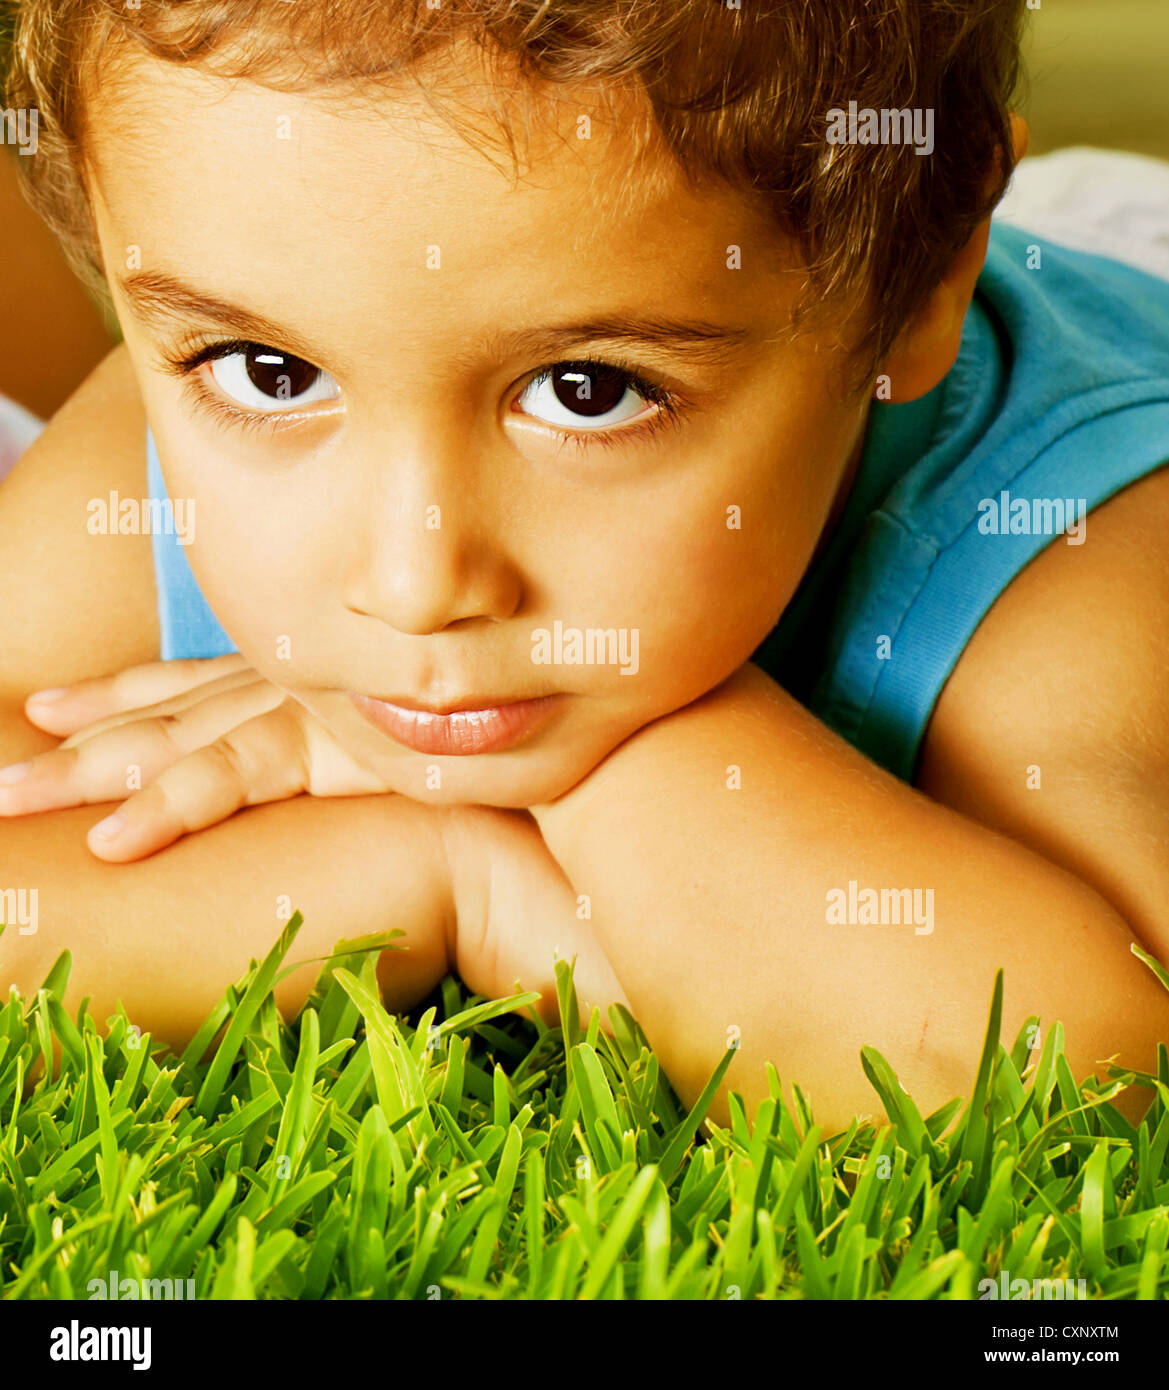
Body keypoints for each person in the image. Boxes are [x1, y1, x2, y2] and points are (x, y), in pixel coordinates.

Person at [2, 0, 1168, 1133]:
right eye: (270, 374)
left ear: (920, 289)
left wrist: (623, 773)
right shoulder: (201, 378)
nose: (415, 584)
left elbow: (1056, 1077)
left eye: (587, 391)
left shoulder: (1067, 534)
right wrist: (441, 852)